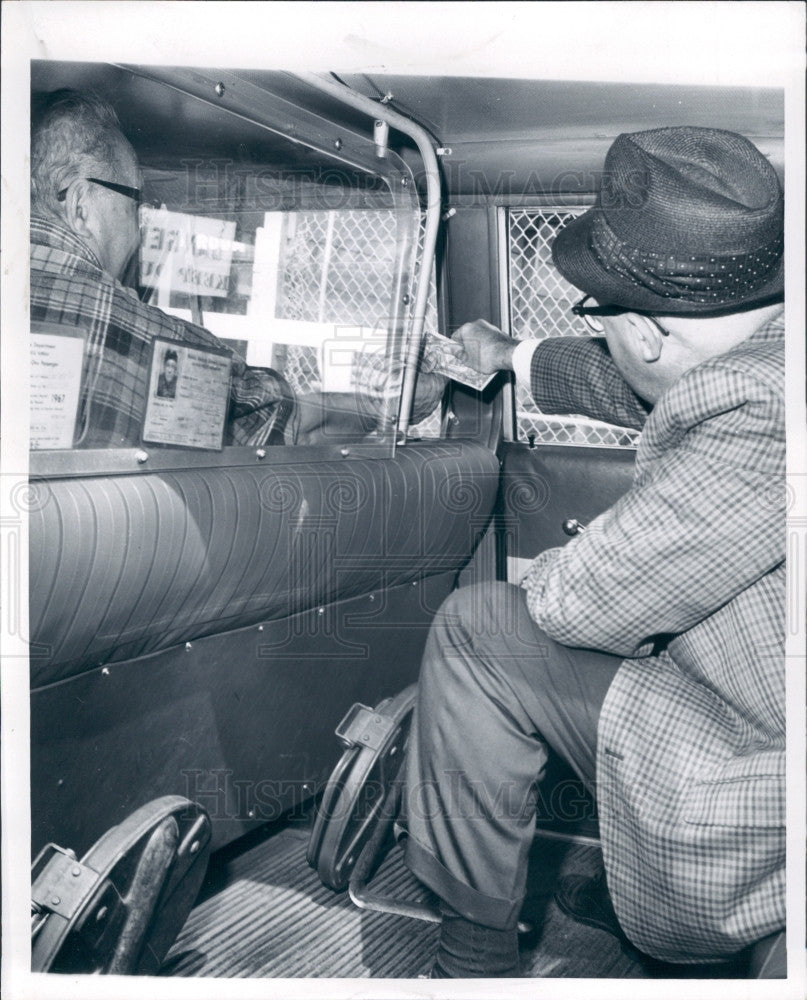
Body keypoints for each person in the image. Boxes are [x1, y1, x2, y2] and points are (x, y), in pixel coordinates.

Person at [402, 127, 785, 977]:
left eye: (601, 320)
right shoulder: (761, 352)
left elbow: (578, 603)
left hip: (769, 787)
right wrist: (507, 356)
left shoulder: (758, 407)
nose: (604, 338)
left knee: (477, 632)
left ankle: (471, 965)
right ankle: (626, 867)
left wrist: (585, 552)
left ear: (647, 330)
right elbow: (640, 382)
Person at [30, 89, 289, 448]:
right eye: (135, 203)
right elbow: (268, 414)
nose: (140, 230)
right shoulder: (133, 332)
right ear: (79, 207)